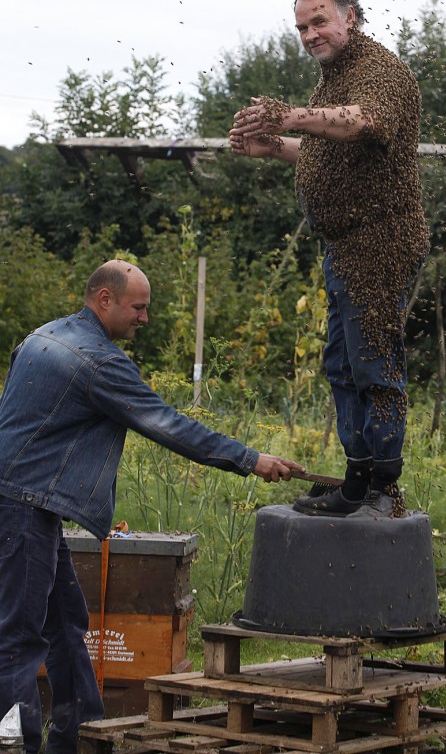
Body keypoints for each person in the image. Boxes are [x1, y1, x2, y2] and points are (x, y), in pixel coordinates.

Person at [0, 259, 303, 754]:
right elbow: (168, 425)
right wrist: (251, 459)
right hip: (22, 508)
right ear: (105, 299)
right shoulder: (99, 362)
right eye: (138, 307)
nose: (145, 318)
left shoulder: (42, 336)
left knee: (65, 625)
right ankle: (14, 743)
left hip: (28, 506)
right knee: (18, 638)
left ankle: (83, 738)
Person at [229, 0, 428, 519]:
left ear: (350, 17)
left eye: (319, 21)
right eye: (301, 27)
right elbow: (327, 153)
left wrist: (289, 116)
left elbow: (364, 122)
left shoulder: (381, 72)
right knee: (342, 366)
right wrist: (274, 146)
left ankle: (382, 487)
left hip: (380, 242)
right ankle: (356, 479)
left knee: (373, 365)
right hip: (344, 245)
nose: (310, 34)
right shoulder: (333, 78)